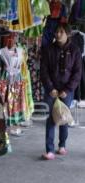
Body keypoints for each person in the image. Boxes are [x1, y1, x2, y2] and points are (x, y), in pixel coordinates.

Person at [40, 23, 82, 160]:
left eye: (61, 32)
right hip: (51, 89)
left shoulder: (75, 50)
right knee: (51, 118)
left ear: (68, 34)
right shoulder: (48, 49)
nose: (58, 34)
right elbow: (44, 71)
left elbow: (77, 73)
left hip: (66, 90)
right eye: (57, 31)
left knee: (63, 117)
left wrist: (68, 89)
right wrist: (50, 88)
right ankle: (49, 150)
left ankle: (62, 145)